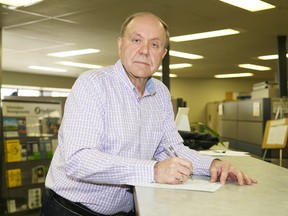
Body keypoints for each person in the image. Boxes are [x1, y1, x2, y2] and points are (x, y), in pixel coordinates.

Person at [40, 12, 256, 216]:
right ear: (120, 44)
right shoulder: (93, 85)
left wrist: (211, 165)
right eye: (136, 40)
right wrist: (153, 170)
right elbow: (79, 160)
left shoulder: (160, 93)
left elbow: (171, 148)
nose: (145, 50)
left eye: (154, 44)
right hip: (71, 209)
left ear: (162, 54)